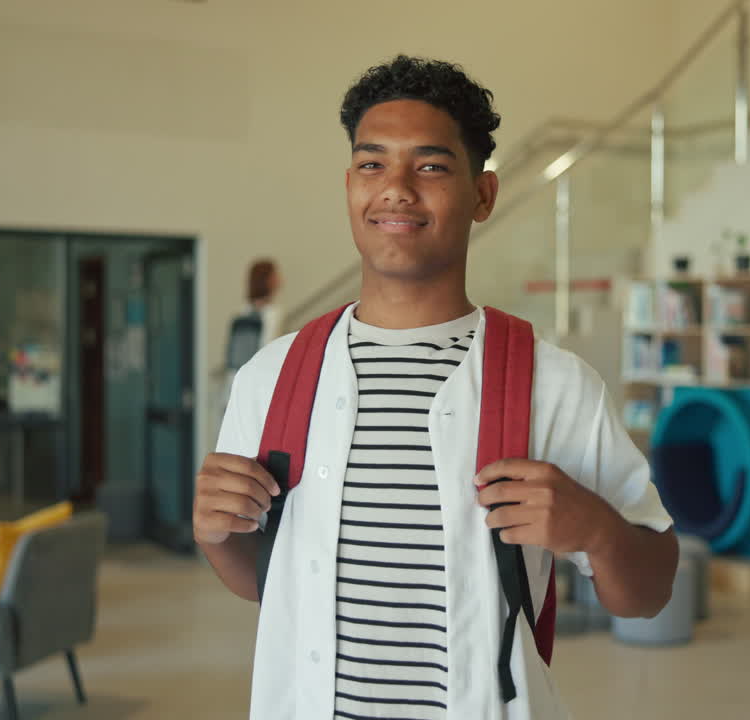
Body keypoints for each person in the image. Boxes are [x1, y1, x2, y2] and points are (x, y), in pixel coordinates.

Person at [196, 55, 679, 719]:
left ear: (483, 195)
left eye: (430, 165)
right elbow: (269, 584)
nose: (395, 187)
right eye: (372, 164)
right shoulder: (272, 379)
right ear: (349, 185)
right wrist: (218, 535)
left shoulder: (555, 386)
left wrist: (596, 531)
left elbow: (649, 591)